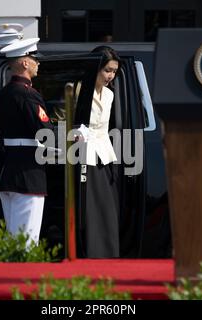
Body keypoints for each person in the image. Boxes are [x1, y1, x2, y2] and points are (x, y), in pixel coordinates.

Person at [0, 38, 53, 245]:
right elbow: (44, 133)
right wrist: (75, 135)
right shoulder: (27, 95)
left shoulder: (3, 94)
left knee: (14, 237)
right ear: (25, 63)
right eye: (34, 58)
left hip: (8, 171)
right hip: (28, 173)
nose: (38, 63)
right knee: (26, 240)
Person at [76, 46, 121, 258]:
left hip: (105, 154)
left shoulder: (110, 94)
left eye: (114, 71)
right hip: (83, 153)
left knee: (107, 208)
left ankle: (109, 254)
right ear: (95, 68)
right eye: (107, 70)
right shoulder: (77, 90)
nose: (111, 76)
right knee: (91, 210)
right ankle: (93, 255)